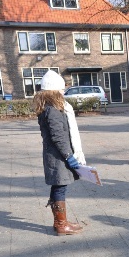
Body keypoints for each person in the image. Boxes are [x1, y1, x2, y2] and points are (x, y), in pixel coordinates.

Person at [35, 70, 85, 235]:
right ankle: (61, 225)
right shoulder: (53, 109)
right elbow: (58, 136)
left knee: (58, 186)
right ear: (53, 90)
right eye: (61, 89)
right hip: (58, 156)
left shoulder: (47, 107)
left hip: (55, 155)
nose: (63, 92)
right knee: (60, 187)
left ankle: (60, 221)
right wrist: (69, 156)